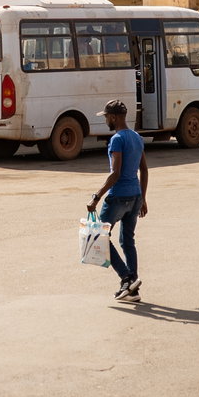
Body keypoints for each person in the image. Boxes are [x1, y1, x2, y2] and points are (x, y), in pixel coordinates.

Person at [86, 99, 148, 304]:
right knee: (127, 240)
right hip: (136, 196)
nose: (105, 121)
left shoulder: (117, 139)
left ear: (113, 117)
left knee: (100, 237)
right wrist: (143, 198)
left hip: (118, 197)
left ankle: (126, 278)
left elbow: (115, 173)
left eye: (106, 117)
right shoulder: (137, 137)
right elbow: (144, 169)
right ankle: (132, 288)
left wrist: (97, 196)